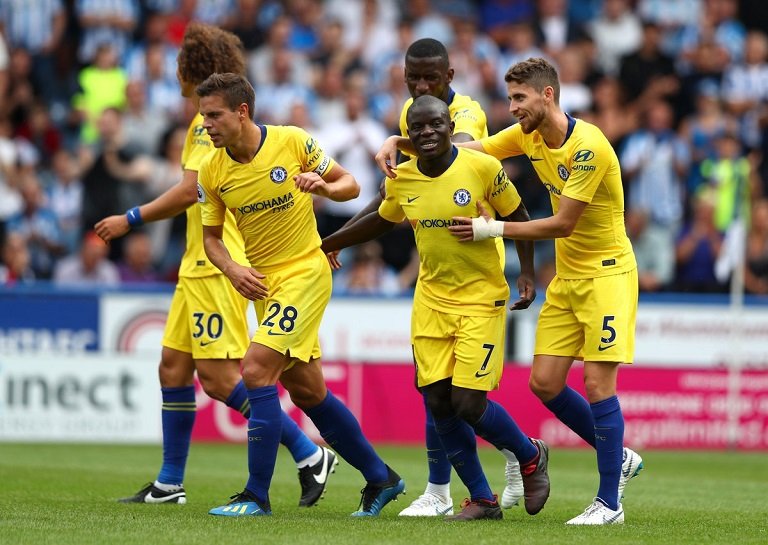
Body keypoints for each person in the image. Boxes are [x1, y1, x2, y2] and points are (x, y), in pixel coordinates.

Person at [376, 57, 644, 525]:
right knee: (544, 383)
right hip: (567, 277)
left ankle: (609, 504)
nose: (512, 108)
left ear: (548, 95)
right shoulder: (528, 137)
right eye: (509, 99)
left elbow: (563, 223)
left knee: (599, 383)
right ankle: (619, 456)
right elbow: (465, 147)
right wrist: (397, 139)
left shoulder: (589, 146)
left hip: (608, 274)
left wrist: (490, 229)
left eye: (519, 99)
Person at [94, 23, 334, 508]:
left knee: (222, 378)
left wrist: (131, 217)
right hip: (193, 261)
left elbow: (191, 189)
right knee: (173, 367)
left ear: (190, 67)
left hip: (217, 262)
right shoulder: (206, 118)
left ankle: (309, 453)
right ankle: (168, 483)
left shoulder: (211, 124)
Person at [322, 95, 549, 521]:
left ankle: (529, 454)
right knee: (437, 401)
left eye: (436, 124)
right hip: (430, 299)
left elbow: (518, 213)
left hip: (481, 297)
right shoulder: (403, 178)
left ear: (450, 125)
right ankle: (482, 499)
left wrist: (528, 272)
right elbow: (382, 219)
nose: (428, 132)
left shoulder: (480, 167)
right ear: (409, 134)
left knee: (467, 403)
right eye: (419, 126)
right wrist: (331, 242)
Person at [196, 72, 404, 518]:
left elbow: (351, 183)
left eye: (214, 116)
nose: (206, 125)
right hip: (263, 285)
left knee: (255, 370)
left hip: (307, 272)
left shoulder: (291, 141)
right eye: (202, 116)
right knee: (308, 391)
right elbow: (211, 238)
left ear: (241, 111)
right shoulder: (212, 169)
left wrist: (325, 188)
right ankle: (381, 477)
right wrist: (233, 270)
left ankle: (256, 496)